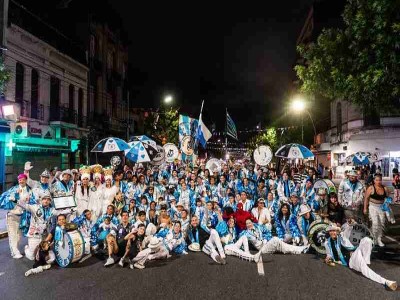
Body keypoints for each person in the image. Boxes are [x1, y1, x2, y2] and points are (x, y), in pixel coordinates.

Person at [324, 224, 397, 290]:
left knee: (367, 240)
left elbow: (348, 229)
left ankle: (365, 262)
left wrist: (349, 224)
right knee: (365, 270)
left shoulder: (342, 236)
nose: (332, 232)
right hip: (351, 261)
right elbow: (329, 254)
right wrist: (328, 259)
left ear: (337, 231)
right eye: (330, 231)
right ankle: (386, 282)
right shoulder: (327, 243)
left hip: (354, 252)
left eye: (334, 230)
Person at [0, 173, 36, 258]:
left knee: (19, 235)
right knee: (13, 234)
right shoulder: (14, 189)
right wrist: (15, 195)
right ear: (18, 181)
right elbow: (6, 199)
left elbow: (32, 202)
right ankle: (15, 252)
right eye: (20, 180)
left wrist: (30, 200)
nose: (21, 181)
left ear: (26, 180)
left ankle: (16, 250)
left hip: (23, 216)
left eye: (23, 179)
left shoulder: (30, 190)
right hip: (12, 215)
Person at [363, 174, 393, 247]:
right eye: (377, 180)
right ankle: (373, 239)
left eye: (380, 180)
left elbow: (388, 198)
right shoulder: (371, 188)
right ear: (374, 181)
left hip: (381, 207)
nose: (378, 182)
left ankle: (379, 239)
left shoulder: (385, 188)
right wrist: (365, 208)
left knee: (382, 223)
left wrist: (387, 207)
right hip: (372, 207)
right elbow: (366, 198)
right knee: (375, 223)